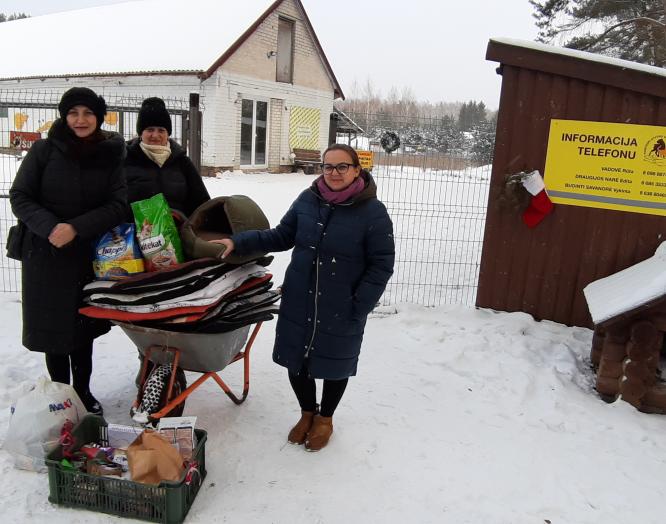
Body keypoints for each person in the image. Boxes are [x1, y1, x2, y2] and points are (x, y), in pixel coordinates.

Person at [215, 144, 395, 451]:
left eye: (342, 167)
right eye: (328, 166)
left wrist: (360, 304)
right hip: (300, 296)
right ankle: (306, 413)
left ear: (356, 170)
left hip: (342, 303)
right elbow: (281, 235)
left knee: (336, 363)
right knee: (296, 360)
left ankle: (325, 418)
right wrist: (238, 241)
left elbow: (382, 264)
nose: (334, 173)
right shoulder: (308, 200)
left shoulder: (372, 212)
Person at [9, 87, 128, 415]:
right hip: (44, 256)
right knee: (53, 330)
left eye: (88, 113)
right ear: (64, 116)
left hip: (86, 255)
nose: (80, 119)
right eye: (73, 112)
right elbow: (20, 195)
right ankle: (63, 396)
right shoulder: (44, 151)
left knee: (81, 330)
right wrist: (50, 227)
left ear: (99, 118)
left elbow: (118, 204)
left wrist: (75, 227)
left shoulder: (109, 155)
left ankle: (83, 392)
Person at [125, 96, 209, 216]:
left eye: (161, 130)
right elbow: (113, 203)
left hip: (178, 229)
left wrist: (181, 217)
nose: (155, 135)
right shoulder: (125, 160)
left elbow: (201, 202)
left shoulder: (182, 162)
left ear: (168, 134)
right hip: (134, 230)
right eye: (150, 129)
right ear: (141, 133)